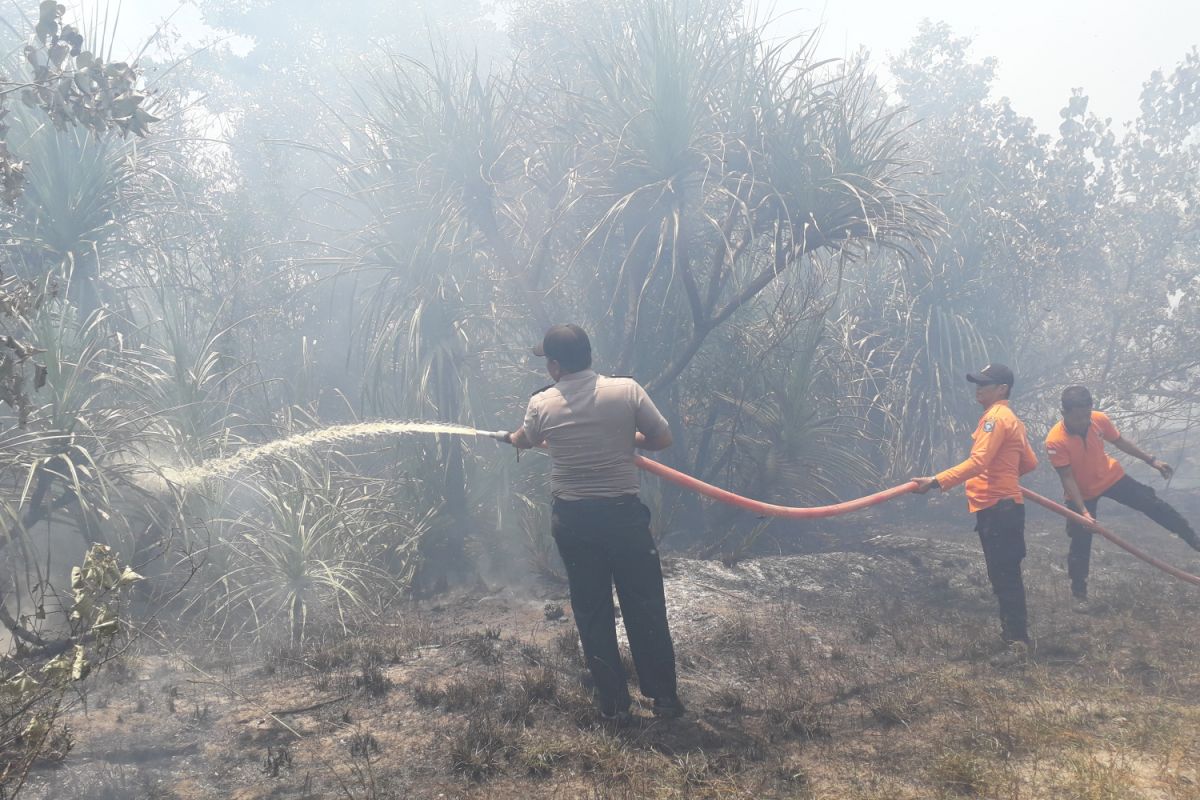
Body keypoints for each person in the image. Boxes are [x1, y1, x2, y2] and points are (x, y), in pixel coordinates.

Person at [503, 324, 684, 723]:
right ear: (589, 355)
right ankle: (665, 699)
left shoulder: (542, 404)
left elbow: (525, 439)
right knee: (645, 605)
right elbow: (662, 438)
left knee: (592, 609)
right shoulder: (627, 390)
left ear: (554, 366)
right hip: (623, 517)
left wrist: (511, 439)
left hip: (574, 521)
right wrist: (626, 438)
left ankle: (614, 703)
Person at [912, 364, 1039, 660]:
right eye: (977, 383)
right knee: (1006, 574)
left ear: (1002, 389)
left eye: (985, 384)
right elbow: (1030, 463)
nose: (978, 389)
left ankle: (1017, 643)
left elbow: (979, 461)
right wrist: (1006, 474)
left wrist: (935, 481)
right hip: (1006, 507)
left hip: (998, 508)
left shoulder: (994, 419)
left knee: (1005, 576)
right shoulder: (1013, 419)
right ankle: (1014, 638)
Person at [1045, 385, 1198, 609]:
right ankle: (1079, 593)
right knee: (1080, 539)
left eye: (1086, 415)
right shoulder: (1055, 441)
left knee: (1152, 503)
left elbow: (1120, 441)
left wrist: (1151, 460)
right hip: (1081, 493)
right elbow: (1067, 478)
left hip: (1111, 477)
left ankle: (1193, 539)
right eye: (1077, 417)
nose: (1083, 421)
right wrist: (1084, 513)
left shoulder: (1099, 420)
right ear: (1064, 413)